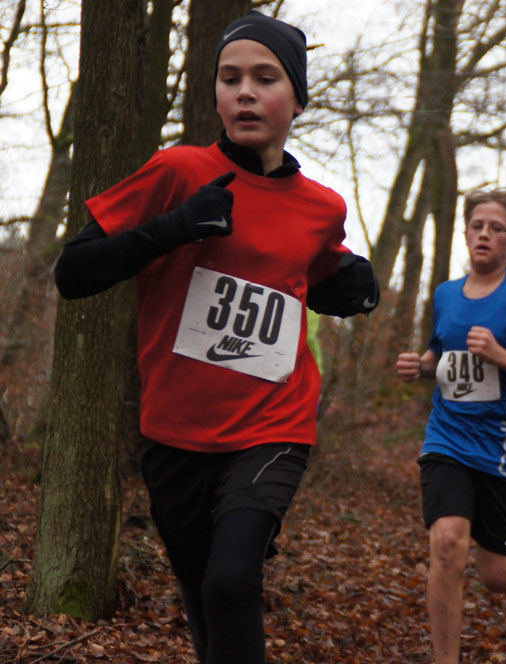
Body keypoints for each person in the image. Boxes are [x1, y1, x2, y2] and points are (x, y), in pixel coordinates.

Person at [53, 11, 379, 664]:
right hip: (174, 433)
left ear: (297, 100)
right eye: (230, 79)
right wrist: (174, 227)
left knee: (232, 581)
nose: (245, 92)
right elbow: (74, 273)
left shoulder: (323, 207)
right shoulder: (177, 171)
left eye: (265, 78)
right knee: (207, 602)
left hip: (274, 423)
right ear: (216, 95)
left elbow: (314, 275)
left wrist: (353, 284)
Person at [396, 188, 506, 664]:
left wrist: (501, 355)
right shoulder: (446, 294)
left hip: (504, 451)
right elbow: (442, 352)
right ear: (466, 233)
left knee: (498, 579)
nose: (484, 235)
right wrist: (420, 365)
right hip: (447, 439)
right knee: (448, 543)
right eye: (477, 226)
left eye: (497, 228)